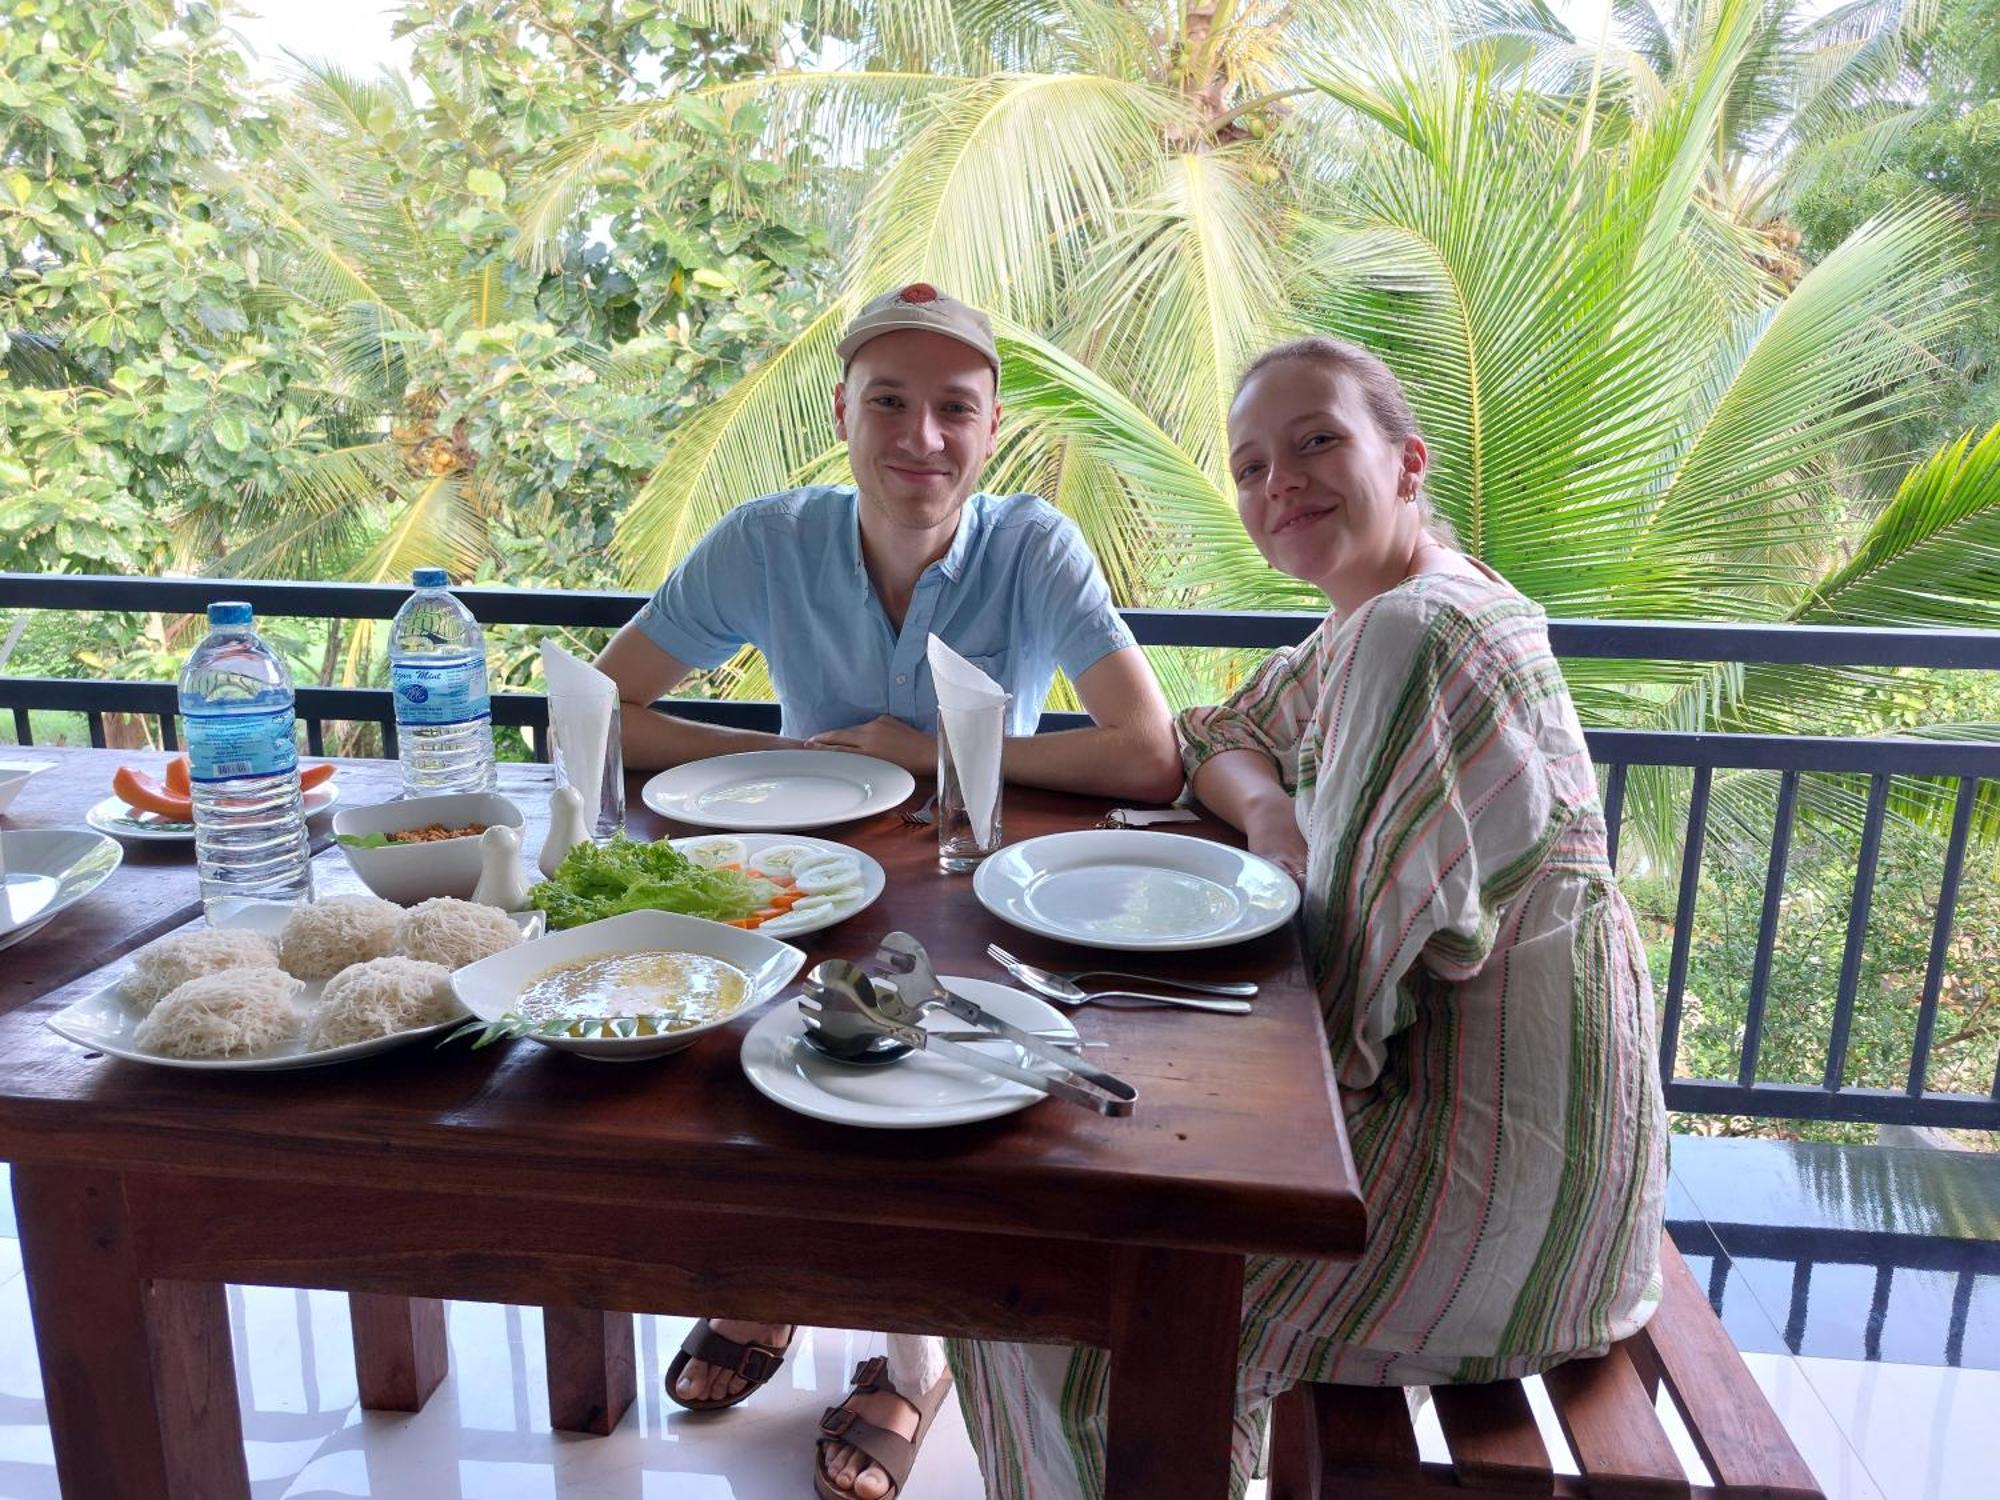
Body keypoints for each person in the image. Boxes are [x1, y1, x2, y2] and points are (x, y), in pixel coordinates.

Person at [944, 335, 1669, 1498]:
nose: (1277, 481)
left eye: (1315, 440)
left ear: (1407, 460)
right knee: (1035, 1238)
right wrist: (1276, 820)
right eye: (1248, 466)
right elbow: (1217, 736)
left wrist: (1140, 1074)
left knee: (1062, 1296)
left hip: (1505, 1200)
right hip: (1552, 1162)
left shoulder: (1413, 634)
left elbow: (1331, 1019)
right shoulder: (1372, 618)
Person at [593, 284, 1184, 1499]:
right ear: (842, 412)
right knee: (758, 1074)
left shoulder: (1031, 545)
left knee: (935, 1086)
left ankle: (913, 1358)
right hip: (800, 870)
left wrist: (919, 753)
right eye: (890, 403)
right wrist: (784, 765)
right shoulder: (769, 539)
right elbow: (608, 707)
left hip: (979, 875)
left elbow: (1146, 753)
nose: (922, 437)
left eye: (953, 409)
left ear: (990, 425)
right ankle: (776, 1285)